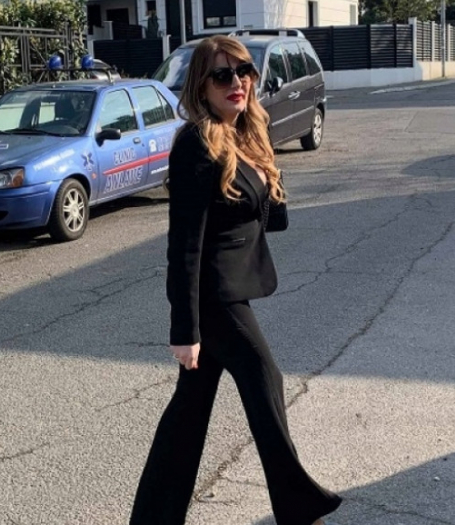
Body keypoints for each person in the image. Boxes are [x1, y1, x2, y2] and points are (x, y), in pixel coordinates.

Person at [129, 35, 342, 525]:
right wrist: (185, 329)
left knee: (187, 416)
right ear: (201, 86)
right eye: (223, 75)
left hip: (230, 288)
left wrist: (266, 164)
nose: (237, 83)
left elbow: (268, 216)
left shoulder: (242, 136)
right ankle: (299, 506)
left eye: (244, 71)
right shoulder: (195, 143)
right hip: (214, 299)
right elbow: (184, 243)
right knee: (266, 379)